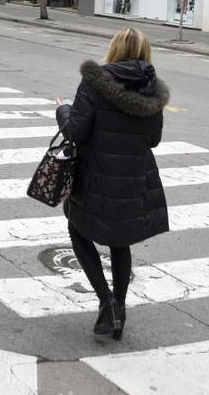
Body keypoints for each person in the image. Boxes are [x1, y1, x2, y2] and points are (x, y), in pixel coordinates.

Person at [55, 28, 170, 341]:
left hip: (95, 175)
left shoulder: (94, 82)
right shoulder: (153, 89)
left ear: (115, 49)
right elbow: (154, 139)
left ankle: (107, 302)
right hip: (133, 179)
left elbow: (76, 131)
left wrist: (62, 110)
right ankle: (119, 307)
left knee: (77, 230)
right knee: (121, 242)